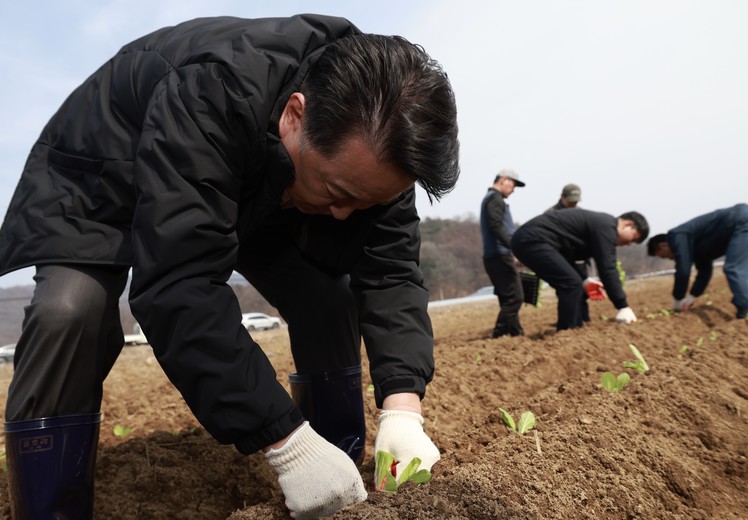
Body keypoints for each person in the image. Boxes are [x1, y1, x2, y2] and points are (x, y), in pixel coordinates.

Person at [0, 15, 459, 520]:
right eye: (337, 192)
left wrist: (403, 409)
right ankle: (50, 508)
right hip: (101, 179)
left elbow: (391, 271)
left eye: (368, 201)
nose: (345, 214)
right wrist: (286, 444)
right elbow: (180, 286)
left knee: (327, 296)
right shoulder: (210, 92)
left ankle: (337, 477)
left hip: (256, 183)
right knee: (70, 312)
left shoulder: (381, 144)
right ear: (295, 115)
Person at [511, 209, 648, 330]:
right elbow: (607, 267)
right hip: (532, 240)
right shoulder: (607, 227)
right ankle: (567, 331)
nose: (630, 244)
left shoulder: (602, 225)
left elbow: (570, 257)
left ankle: (573, 327)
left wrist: (584, 280)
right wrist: (622, 305)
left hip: (531, 241)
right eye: (634, 238)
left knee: (574, 283)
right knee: (571, 284)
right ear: (628, 224)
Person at [646, 204, 748, 318]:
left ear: (663, 246)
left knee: (734, 268)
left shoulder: (676, 236)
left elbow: (683, 269)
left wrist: (678, 298)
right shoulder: (695, 246)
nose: (670, 259)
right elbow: (704, 272)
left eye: (664, 256)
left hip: (744, 220)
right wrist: (691, 296)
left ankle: (745, 311)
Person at [544, 183, 601, 319]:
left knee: (583, 288)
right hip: (561, 259)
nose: (572, 205)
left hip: (579, 259)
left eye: (575, 202)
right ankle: (569, 320)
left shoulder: (580, 213)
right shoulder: (551, 214)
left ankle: (583, 318)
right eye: (570, 202)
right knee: (566, 289)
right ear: (562, 197)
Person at [480, 169, 526, 338]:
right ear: (503, 180)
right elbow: (496, 226)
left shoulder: (491, 198)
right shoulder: (494, 198)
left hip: (495, 256)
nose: (513, 190)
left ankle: (515, 332)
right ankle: (499, 333)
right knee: (515, 297)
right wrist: (515, 248)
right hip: (499, 256)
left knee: (507, 297)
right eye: (513, 184)